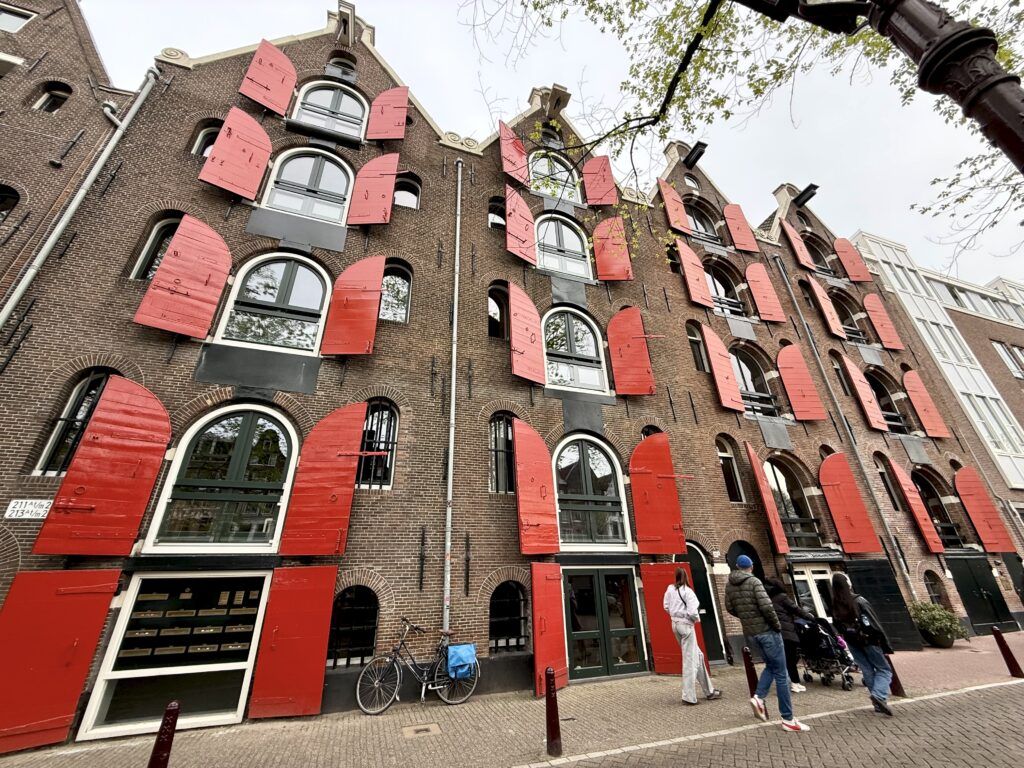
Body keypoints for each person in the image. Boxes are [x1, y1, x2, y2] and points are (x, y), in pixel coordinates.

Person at [725, 555, 810, 732]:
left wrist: (747, 618)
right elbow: (766, 607)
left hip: (751, 634)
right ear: (751, 566)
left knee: (771, 666)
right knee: (781, 673)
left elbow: (729, 608)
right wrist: (776, 625)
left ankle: (758, 697)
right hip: (767, 631)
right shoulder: (755, 582)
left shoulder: (730, 585)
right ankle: (788, 719)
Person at [830, 572, 895, 717]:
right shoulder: (859, 601)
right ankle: (879, 696)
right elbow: (874, 624)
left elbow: (837, 626)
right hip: (869, 640)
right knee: (884, 669)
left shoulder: (835, 604)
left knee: (867, 670)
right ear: (848, 584)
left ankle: (878, 705)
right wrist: (885, 644)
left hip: (852, 641)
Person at [663, 567, 723, 705]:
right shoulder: (688, 592)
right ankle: (688, 696)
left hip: (675, 625)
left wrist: (675, 614)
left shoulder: (670, 589)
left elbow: (665, 606)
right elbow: (693, 612)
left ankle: (709, 691)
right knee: (690, 660)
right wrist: (694, 619)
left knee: (698, 656)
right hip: (686, 626)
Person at [765, 578, 815, 693]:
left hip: (775, 632)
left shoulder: (768, 600)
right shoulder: (782, 597)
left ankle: (787, 682)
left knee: (783, 659)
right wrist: (810, 617)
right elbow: (796, 609)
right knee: (791, 658)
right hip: (787, 632)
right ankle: (794, 683)